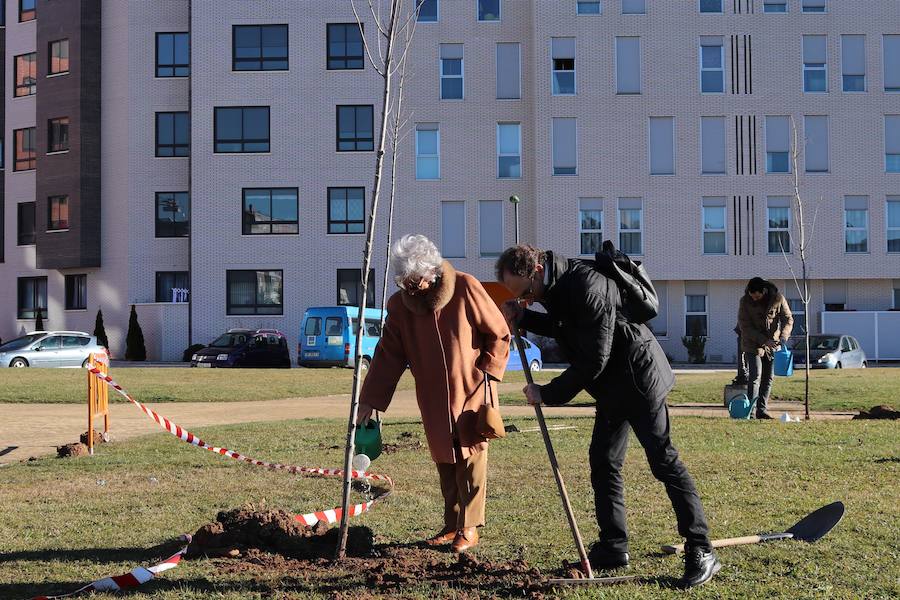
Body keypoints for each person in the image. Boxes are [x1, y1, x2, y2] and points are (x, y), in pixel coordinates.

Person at [495, 244, 720, 589]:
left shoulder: (586, 285)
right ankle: (614, 547)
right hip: (613, 387)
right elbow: (568, 328)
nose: (527, 299)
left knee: (663, 461)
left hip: (639, 380)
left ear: (536, 270)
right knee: (603, 461)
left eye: (525, 293)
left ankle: (701, 549)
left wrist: (549, 392)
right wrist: (524, 317)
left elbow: (593, 358)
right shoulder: (556, 288)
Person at [357, 234, 510, 553]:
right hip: (432, 397)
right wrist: (369, 400)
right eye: (404, 282)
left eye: (415, 281)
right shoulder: (399, 306)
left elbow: (499, 333)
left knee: (471, 455)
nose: (410, 288)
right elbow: (388, 355)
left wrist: (489, 375)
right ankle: (452, 523)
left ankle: (469, 526)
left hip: (471, 391)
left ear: (432, 271)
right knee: (445, 458)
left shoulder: (466, 288)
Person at [737, 277, 793, 419]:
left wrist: (783, 337)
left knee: (768, 377)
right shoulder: (745, 302)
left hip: (772, 344)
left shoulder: (777, 298)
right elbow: (745, 327)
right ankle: (750, 411)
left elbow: (788, 319)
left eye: (757, 296)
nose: (755, 299)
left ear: (764, 291)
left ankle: (761, 410)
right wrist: (763, 340)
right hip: (751, 343)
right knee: (755, 376)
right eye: (752, 296)